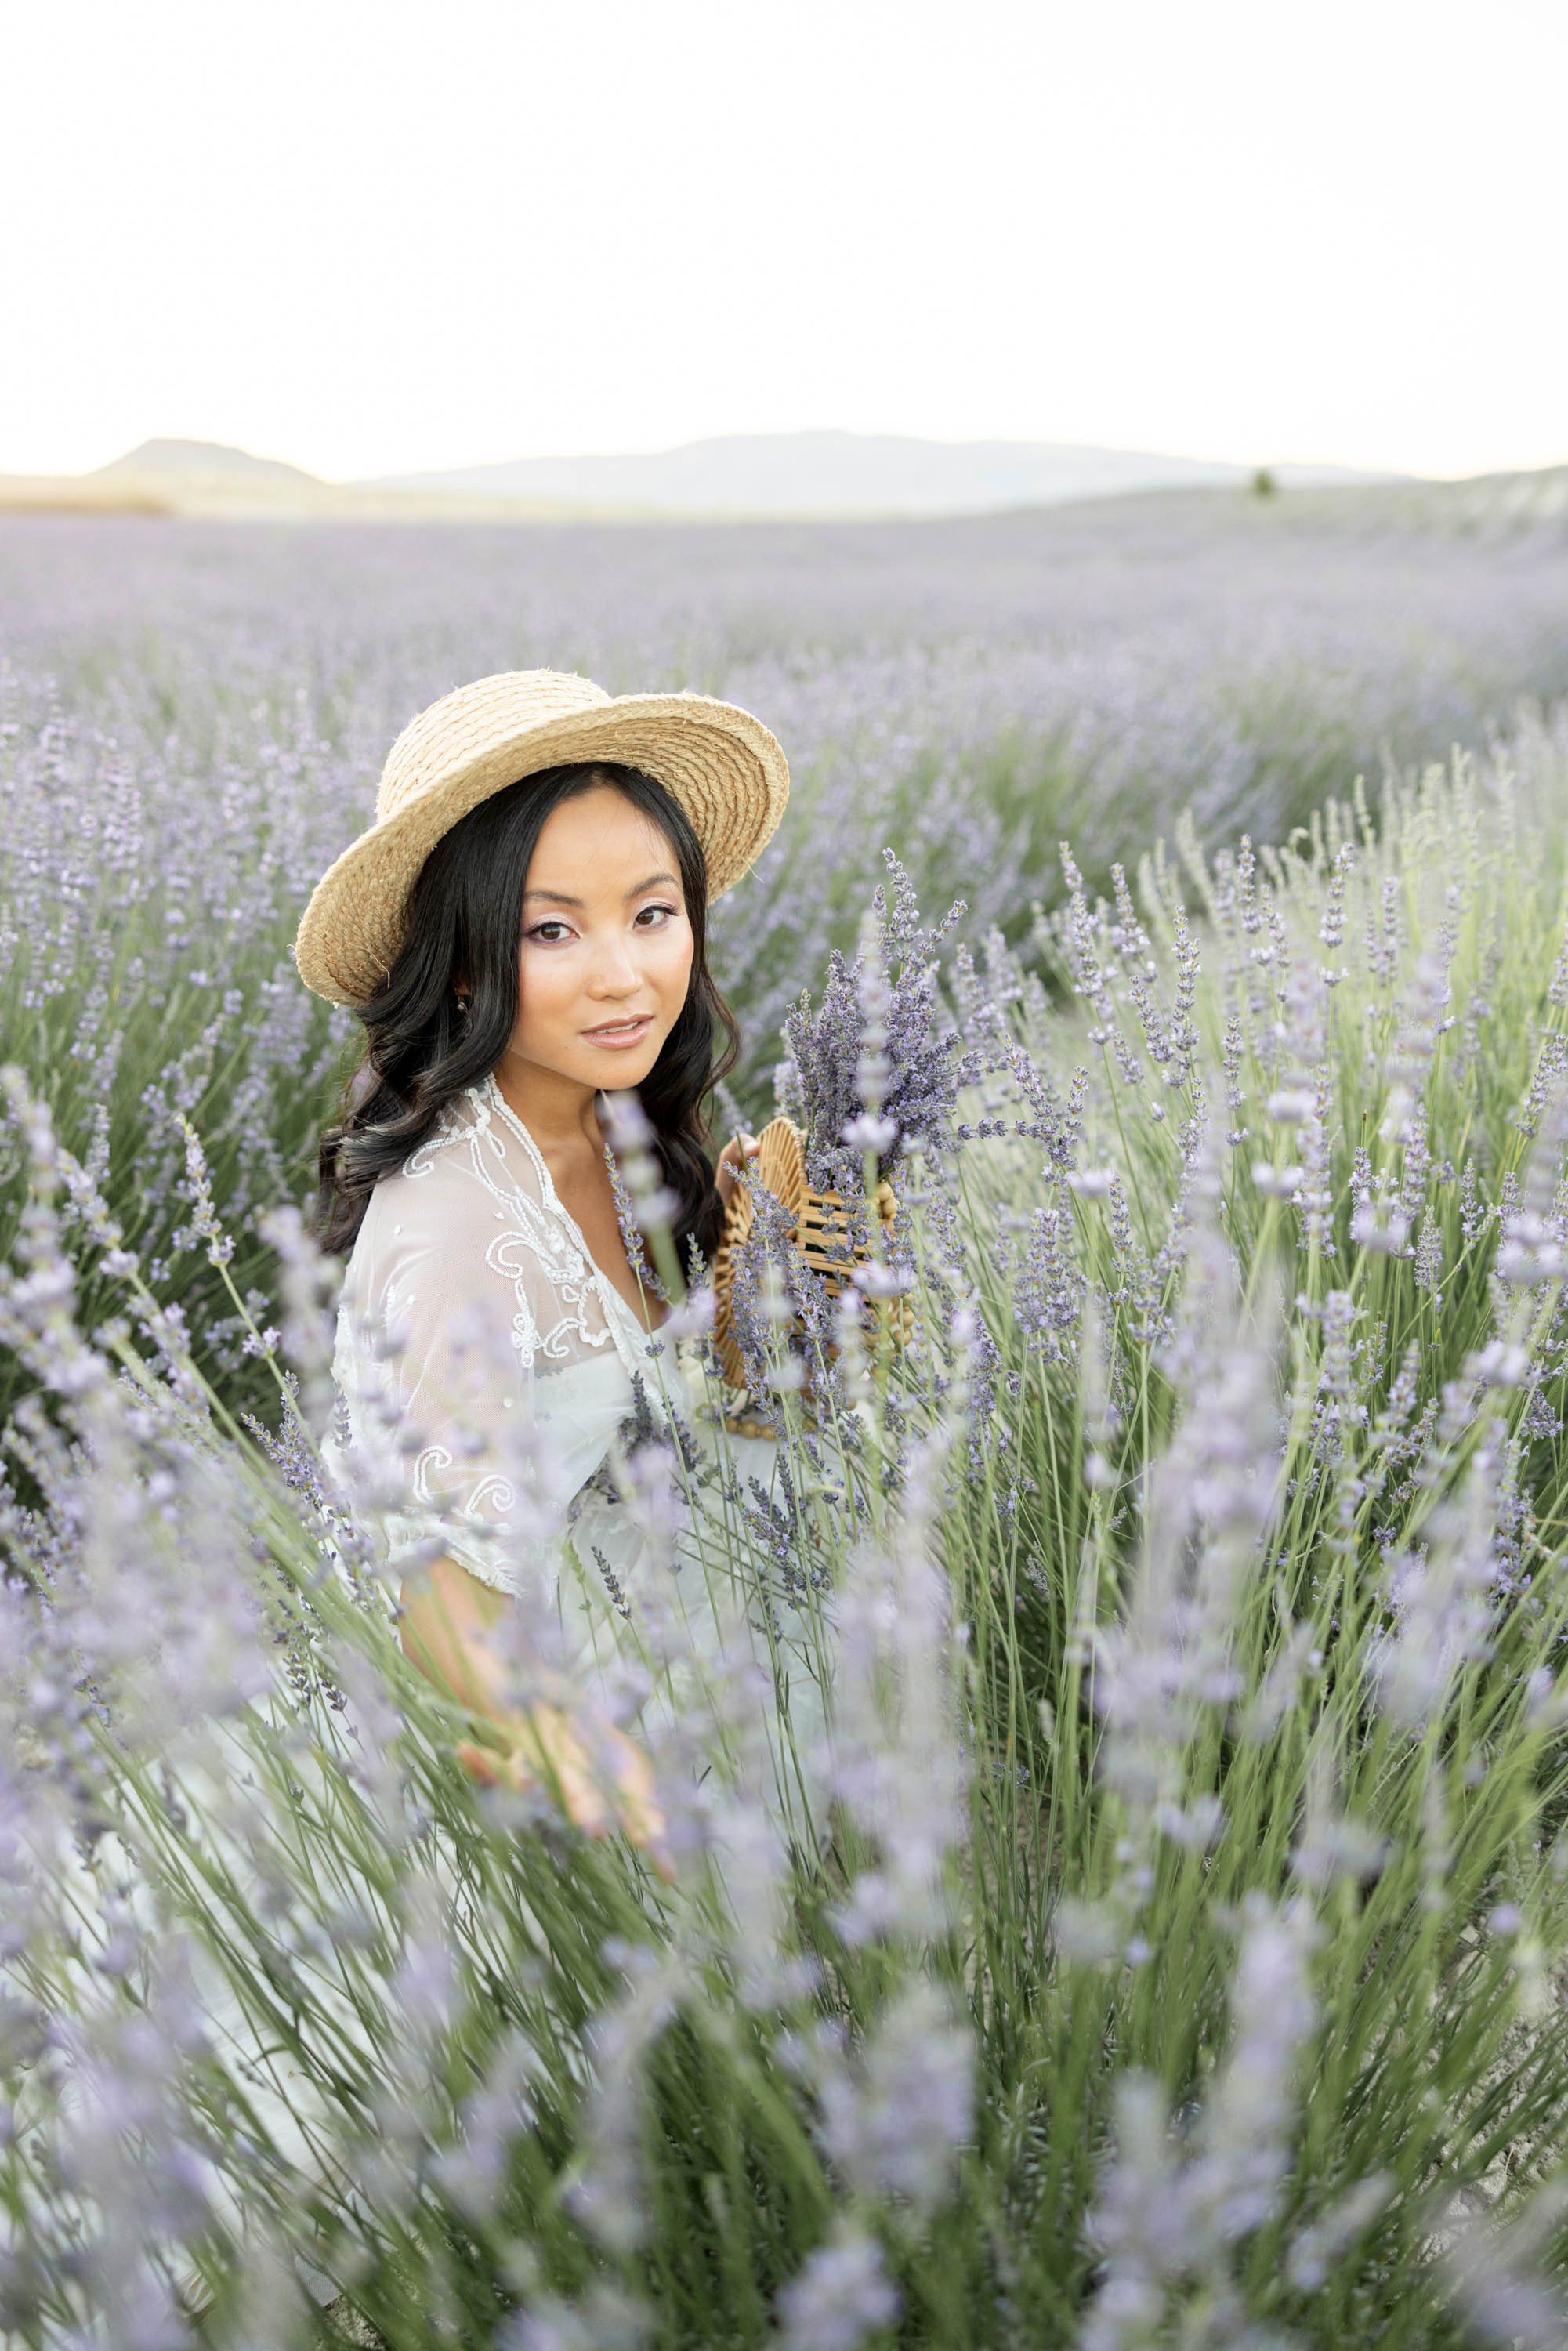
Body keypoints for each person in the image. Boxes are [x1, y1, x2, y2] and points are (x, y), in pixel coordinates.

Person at [294, 667, 799, 1846]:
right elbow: (430, 1584)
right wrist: (581, 1750)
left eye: (651, 912)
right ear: (462, 961)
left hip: (708, 1664)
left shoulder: (624, 1129)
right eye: (551, 929)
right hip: (567, 1752)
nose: (622, 974)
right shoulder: (455, 1221)